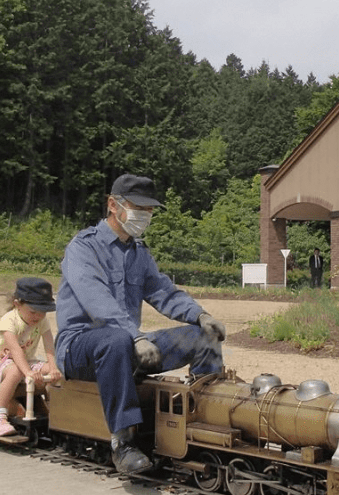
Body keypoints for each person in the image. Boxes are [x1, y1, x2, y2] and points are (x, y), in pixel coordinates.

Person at [55, 173, 226, 475]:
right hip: (81, 347)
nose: (144, 216)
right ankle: (123, 442)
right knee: (116, 339)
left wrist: (200, 315)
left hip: (129, 345)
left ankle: (205, 422)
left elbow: (163, 291)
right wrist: (135, 336)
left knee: (203, 338)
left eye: (149, 210)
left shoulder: (139, 253)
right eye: (138, 208)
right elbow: (97, 300)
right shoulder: (83, 248)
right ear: (113, 205)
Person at [0, 277, 62, 437]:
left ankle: (57, 409)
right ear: (18, 304)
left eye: (43, 312)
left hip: (26, 361)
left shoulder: (41, 320)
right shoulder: (9, 320)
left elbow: (49, 345)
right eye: (33, 311)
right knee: (15, 372)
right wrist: (28, 372)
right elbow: (15, 349)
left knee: (54, 369)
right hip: (2, 360)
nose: (38, 316)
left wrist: (53, 367)